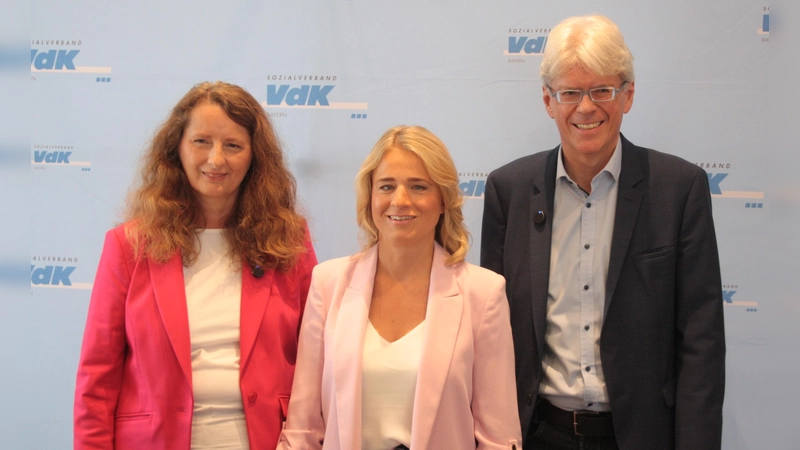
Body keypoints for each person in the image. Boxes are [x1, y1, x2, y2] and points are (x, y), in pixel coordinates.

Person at [480, 15, 725, 450]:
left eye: (602, 91)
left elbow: (701, 345)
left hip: (641, 436)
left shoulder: (679, 188)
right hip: (535, 434)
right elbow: (490, 337)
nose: (586, 107)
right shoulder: (509, 191)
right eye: (570, 92)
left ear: (627, 95)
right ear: (548, 101)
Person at [74, 81, 317, 450]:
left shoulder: (289, 241)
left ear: (255, 157)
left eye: (233, 145)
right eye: (201, 141)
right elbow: (98, 376)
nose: (216, 159)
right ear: (177, 148)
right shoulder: (128, 246)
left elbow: (315, 361)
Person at [278, 126, 521, 450]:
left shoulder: (483, 293)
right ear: (370, 197)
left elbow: (499, 439)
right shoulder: (329, 283)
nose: (400, 200)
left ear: (443, 200)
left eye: (419, 186)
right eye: (387, 186)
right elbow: (302, 431)